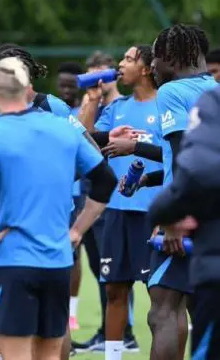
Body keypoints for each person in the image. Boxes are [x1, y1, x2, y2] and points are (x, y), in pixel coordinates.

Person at [0, 56, 117, 360]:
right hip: (58, 261)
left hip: (13, 261)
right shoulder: (63, 128)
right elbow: (105, 179)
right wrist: (77, 230)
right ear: (29, 88)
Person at [142, 24, 217, 360]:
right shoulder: (214, 91)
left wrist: (175, 215)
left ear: (170, 58)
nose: (151, 67)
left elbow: (184, 150)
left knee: (163, 310)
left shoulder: (173, 91)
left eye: (155, 58)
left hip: (188, 218)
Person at [88, 45, 162, 360]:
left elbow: (175, 155)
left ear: (147, 68)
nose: (121, 64)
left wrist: (135, 148)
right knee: (114, 290)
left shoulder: (167, 106)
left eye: (129, 59)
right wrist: (92, 99)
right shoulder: (117, 108)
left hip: (155, 214)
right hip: (117, 213)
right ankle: (113, 356)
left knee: (159, 297)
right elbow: (89, 142)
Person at [55, 62, 85, 331]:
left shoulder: (77, 113)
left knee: (75, 255)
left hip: (79, 195)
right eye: (61, 85)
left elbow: (92, 147)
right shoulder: (49, 112)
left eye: (70, 85)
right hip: (55, 196)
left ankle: (71, 311)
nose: (66, 90)